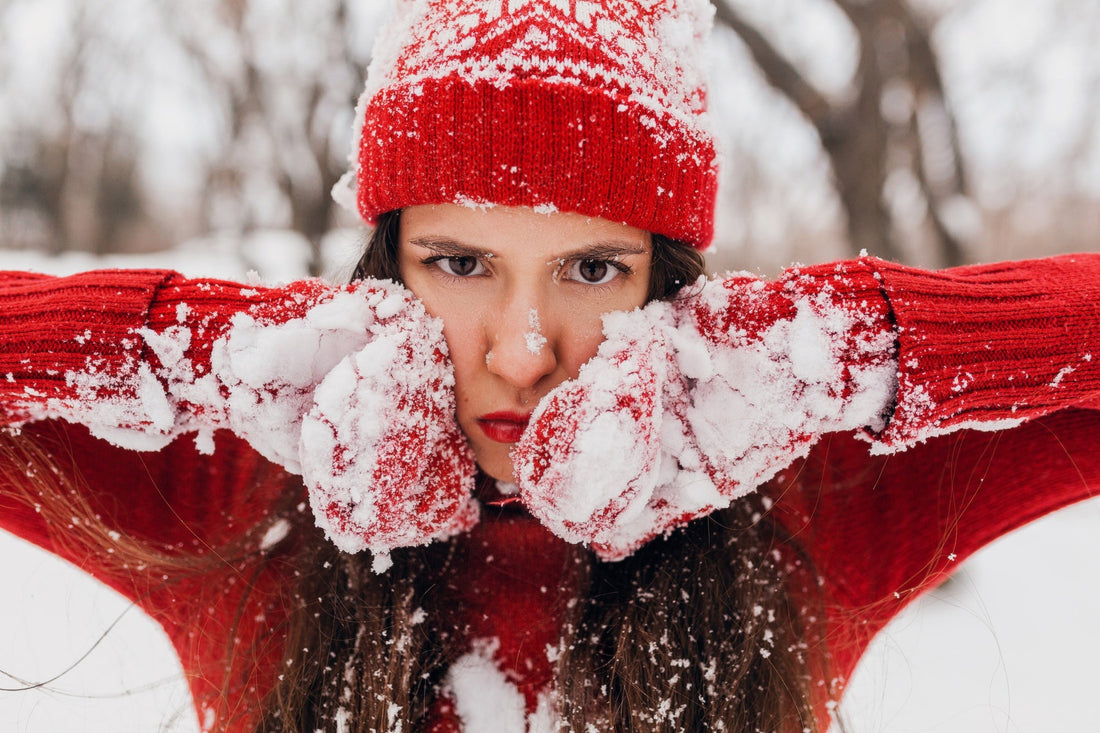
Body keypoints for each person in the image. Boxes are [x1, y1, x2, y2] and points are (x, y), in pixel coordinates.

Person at [1, 1, 1098, 731]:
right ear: (387, 267)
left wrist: (856, 342)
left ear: (659, 287)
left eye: (588, 267)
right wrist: (196, 348)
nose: (523, 349)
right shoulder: (230, 499)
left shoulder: (809, 500)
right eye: (461, 261)